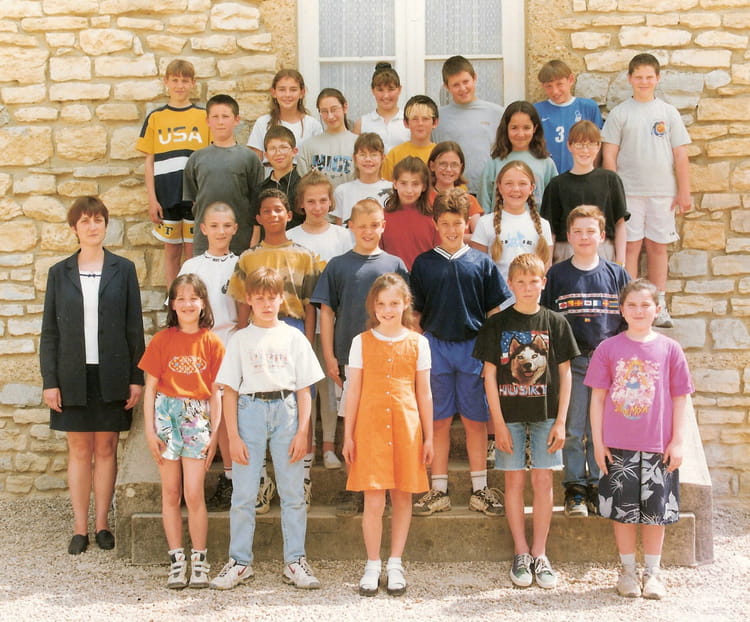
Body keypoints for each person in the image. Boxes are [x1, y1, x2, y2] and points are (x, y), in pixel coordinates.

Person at [40, 196, 145, 555]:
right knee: (80, 450)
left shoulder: (123, 269)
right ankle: (79, 528)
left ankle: (102, 525)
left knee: (107, 447)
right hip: (72, 374)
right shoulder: (59, 273)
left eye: (98, 219)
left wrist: (136, 377)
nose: (92, 226)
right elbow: (49, 332)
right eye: (84, 221)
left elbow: (134, 327)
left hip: (112, 372)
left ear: (106, 224)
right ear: (74, 228)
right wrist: (50, 381)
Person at [210, 267, 324, 591]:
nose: (266, 304)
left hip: (286, 411)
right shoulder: (240, 339)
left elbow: (304, 390)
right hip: (250, 411)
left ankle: (295, 561)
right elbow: (229, 390)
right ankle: (240, 562)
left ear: (281, 298)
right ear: (249, 299)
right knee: (244, 493)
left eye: (271, 297)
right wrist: (233, 436)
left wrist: (302, 432)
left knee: (293, 492)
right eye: (259, 298)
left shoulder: (293, 337)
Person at [473, 253, 579, 589]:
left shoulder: (555, 323)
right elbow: (490, 376)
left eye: (534, 281)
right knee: (514, 483)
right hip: (510, 417)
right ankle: (520, 551)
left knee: (544, 482)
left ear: (543, 283)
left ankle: (540, 552)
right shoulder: (497, 324)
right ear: (510, 284)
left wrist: (561, 421)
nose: (528, 287)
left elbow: (566, 374)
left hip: (546, 416)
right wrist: (498, 424)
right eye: (520, 282)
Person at [585, 279, 694, 599]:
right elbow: (597, 399)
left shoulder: (670, 349)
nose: (638, 311)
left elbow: (680, 397)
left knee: (655, 513)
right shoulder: (608, 349)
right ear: (621, 310)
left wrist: (678, 441)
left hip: (658, 445)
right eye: (631, 305)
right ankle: (628, 571)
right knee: (623, 512)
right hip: (618, 446)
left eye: (645, 305)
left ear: (657, 309)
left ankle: (653, 573)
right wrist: (598, 443)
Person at [410, 188, 510, 518]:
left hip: (473, 348)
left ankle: (479, 489)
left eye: (457, 223)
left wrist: (490, 353)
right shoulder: (423, 264)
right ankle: (438, 490)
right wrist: (423, 347)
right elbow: (414, 314)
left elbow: (495, 311)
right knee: (438, 421)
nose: (451, 229)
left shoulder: (481, 262)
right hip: (436, 347)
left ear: (467, 223)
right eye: (445, 223)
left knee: (474, 420)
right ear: (435, 224)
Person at [311, 199, 409, 516]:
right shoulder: (338, 265)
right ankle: (354, 487)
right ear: (350, 226)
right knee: (352, 423)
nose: (368, 231)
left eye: (374, 225)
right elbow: (327, 312)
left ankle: (386, 487)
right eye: (362, 226)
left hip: (391, 361)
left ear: (383, 226)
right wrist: (329, 356)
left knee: (387, 424)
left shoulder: (395, 264)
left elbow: (408, 315)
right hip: (350, 360)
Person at [227, 188, 321, 510]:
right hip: (256, 333)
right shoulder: (248, 258)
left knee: (298, 404)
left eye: (278, 209)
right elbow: (242, 301)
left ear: (289, 214)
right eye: (266, 210)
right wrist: (244, 332)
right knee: (259, 406)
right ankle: (262, 480)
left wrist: (308, 340)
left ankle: (302, 478)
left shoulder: (304, 255)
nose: (273, 215)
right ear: (258, 217)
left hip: (293, 330)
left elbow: (310, 304)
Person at [343, 273, 433, 597]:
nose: (387, 310)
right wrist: (348, 434)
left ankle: (395, 562)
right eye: (381, 304)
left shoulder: (419, 343)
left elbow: (424, 393)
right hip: (369, 428)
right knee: (373, 497)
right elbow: (353, 390)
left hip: (406, 427)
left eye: (394, 303)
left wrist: (429, 437)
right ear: (373, 306)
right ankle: (372, 563)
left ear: (406, 303)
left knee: (402, 495)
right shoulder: (361, 342)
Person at [541, 205, 630, 517]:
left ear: (602, 235)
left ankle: (599, 485)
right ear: (568, 236)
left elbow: (627, 320)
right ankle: (576, 488)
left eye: (590, 231)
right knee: (574, 427)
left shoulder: (617, 274)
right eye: (577, 231)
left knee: (601, 429)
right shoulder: (557, 275)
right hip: (572, 363)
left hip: (607, 363)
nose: (584, 237)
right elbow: (546, 319)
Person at [139, 274, 225, 589]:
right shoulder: (162, 340)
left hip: (197, 418)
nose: (187, 304)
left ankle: (200, 559)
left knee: (193, 492)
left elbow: (216, 393)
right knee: (171, 492)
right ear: (172, 304)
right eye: (181, 298)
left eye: (193, 298)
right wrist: (150, 431)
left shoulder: (212, 342)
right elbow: (150, 390)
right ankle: (177, 559)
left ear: (203, 303)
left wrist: (214, 434)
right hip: (166, 416)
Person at [601, 52, 692, 328]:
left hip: (662, 193)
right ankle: (630, 305)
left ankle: (658, 305)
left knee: (657, 247)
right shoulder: (620, 113)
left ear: (657, 78)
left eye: (649, 77)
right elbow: (609, 155)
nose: (643, 81)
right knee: (630, 247)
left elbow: (680, 154)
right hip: (629, 193)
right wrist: (613, 192)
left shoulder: (668, 113)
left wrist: (684, 190)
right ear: (629, 78)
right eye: (638, 76)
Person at [288, 170, 353, 471]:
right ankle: (308, 444)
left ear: (331, 202)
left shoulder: (342, 236)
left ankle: (328, 445)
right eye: (311, 201)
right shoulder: (291, 237)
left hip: (333, 324)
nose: (317, 207)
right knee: (304, 384)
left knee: (329, 385)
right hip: (300, 325)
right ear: (301, 204)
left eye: (323, 201)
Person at [177, 203, 239, 513]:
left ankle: (231, 478)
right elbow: (180, 308)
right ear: (203, 229)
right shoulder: (192, 266)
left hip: (230, 344)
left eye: (226, 225)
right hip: (197, 346)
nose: (220, 231)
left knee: (226, 416)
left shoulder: (241, 264)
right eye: (214, 226)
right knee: (195, 414)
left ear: (235, 228)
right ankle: (190, 485)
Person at [137, 59, 211, 285]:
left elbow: (209, 158)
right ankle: (172, 302)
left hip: (194, 196)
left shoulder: (203, 116)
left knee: (192, 253)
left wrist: (204, 196)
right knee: (171, 252)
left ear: (193, 83)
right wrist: (152, 199)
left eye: (185, 81)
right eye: (175, 80)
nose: (180, 85)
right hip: (166, 195)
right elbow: (149, 161)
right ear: (166, 82)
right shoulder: (156, 117)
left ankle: (194, 299)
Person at [183, 94, 264, 255]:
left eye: (225, 116)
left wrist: (255, 237)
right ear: (208, 121)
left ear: (236, 120)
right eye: (215, 117)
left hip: (241, 240)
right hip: (205, 242)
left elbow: (257, 201)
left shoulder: (249, 158)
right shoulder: (196, 159)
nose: (220, 122)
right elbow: (194, 201)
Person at [541, 120, 628, 264]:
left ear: (598, 146)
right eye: (579, 145)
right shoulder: (557, 185)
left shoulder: (611, 180)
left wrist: (620, 261)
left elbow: (620, 223)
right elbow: (550, 231)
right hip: (566, 251)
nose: (585, 150)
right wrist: (548, 263)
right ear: (569, 146)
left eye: (590, 144)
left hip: (603, 249)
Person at [471, 160, 553, 290]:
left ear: (531, 188)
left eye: (522, 184)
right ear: (499, 187)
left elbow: (546, 268)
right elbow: (477, 270)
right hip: (497, 301)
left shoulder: (543, 225)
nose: (515, 189)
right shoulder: (485, 223)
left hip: (531, 299)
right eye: (509, 183)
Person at [433, 55, 503, 195]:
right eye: (455, 85)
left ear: (474, 78)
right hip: (451, 191)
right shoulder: (438, 118)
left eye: (466, 82)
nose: (462, 88)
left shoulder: (497, 113)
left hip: (489, 190)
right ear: (446, 86)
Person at [479, 101, 557, 212]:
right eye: (514, 128)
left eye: (526, 128)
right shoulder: (494, 163)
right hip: (499, 222)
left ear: (535, 128)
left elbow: (554, 203)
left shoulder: (546, 163)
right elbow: (484, 202)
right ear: (506, 128)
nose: (520, 134)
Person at [534, 60, 603, 174]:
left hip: (580, 174)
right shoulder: (536, 110)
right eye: (549, 86)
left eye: (559, 84)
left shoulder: (588, 107)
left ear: (570, 80)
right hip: (548, 175)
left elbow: (597, 144)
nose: (555, 91)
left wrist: (592, 173)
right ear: (542, 86)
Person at [246, 68, 323, 162]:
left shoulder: (313, 125)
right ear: (274, 92)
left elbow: (318, 162)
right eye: (282, 90)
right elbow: (255, 163)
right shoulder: (262, 123)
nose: (287, 95)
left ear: (302, 93)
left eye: (293, 90)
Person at [380, 156, 440, 270]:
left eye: (415, 184)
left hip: (425, 277)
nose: (409, 190)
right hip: (391, 277)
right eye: (403, 183)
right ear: (395, 184)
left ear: (424, 186)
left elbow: (439, 256)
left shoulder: (434, 217)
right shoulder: (382, 217)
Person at [249, 125, 302, 247]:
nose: (278, 153)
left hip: (297, 251)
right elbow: (256, 230)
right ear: (266, 155)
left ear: (294, 152)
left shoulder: (303, 187)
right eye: (272, 149)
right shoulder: (260, 190)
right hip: (268, 252)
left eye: (283, 147)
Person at [297, 88, 357, 189]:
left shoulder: (358, 143)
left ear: (345, 107)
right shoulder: (308, 146)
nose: (330, 116)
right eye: (324, 111)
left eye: (334, 109)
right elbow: (304, 185)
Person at [427, 141, 483, 242]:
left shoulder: (470, 200)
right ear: (432, 166)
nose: (448, 169)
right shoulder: (423, 199)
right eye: (443, 164)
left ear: (461, 167)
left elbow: (480, 238)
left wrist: (449, 237)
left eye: (454, 165)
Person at [332, 132, 392, 226]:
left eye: (373, 154)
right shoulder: (342, 191)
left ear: (382, 157)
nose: (368, 159)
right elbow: (339, 229)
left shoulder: (393, 190)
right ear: (354, 158)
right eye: (362, 154)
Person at [352, 62, 410, 153]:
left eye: (391, 89)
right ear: (373, 90)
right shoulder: (362, 124)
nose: (386, 96)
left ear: (399, 89)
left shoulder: (410, 121)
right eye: (380, 90)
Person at [381, 95, 439, 181]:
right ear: (406, 123)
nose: (420, 123)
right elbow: (385, 186)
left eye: (425, 119)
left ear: (435, 123)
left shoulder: (441, 154)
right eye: (415, 119)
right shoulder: (394, 155)